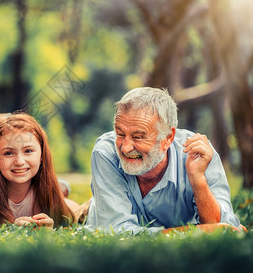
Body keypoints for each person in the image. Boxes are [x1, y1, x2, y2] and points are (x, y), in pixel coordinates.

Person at [85, 87, 242, 234]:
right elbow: (117, 232)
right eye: (120, 134)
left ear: (168, 138)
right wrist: (196, 230)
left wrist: (198, 180)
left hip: (110, 201)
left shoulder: (199, 154)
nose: (125, 148)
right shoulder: (105, 152)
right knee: (71, 212)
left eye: (138, 137)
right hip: (95, 211)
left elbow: (223, 228)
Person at [0, 113, 75, 228]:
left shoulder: (47, 194)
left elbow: (66, 220)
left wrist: (49, 227)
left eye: (28, 151)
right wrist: (12, 228)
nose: (19, 162)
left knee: (72, 206)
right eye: (8, 153)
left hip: (59, 195)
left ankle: (63, 187)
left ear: (42, 155)